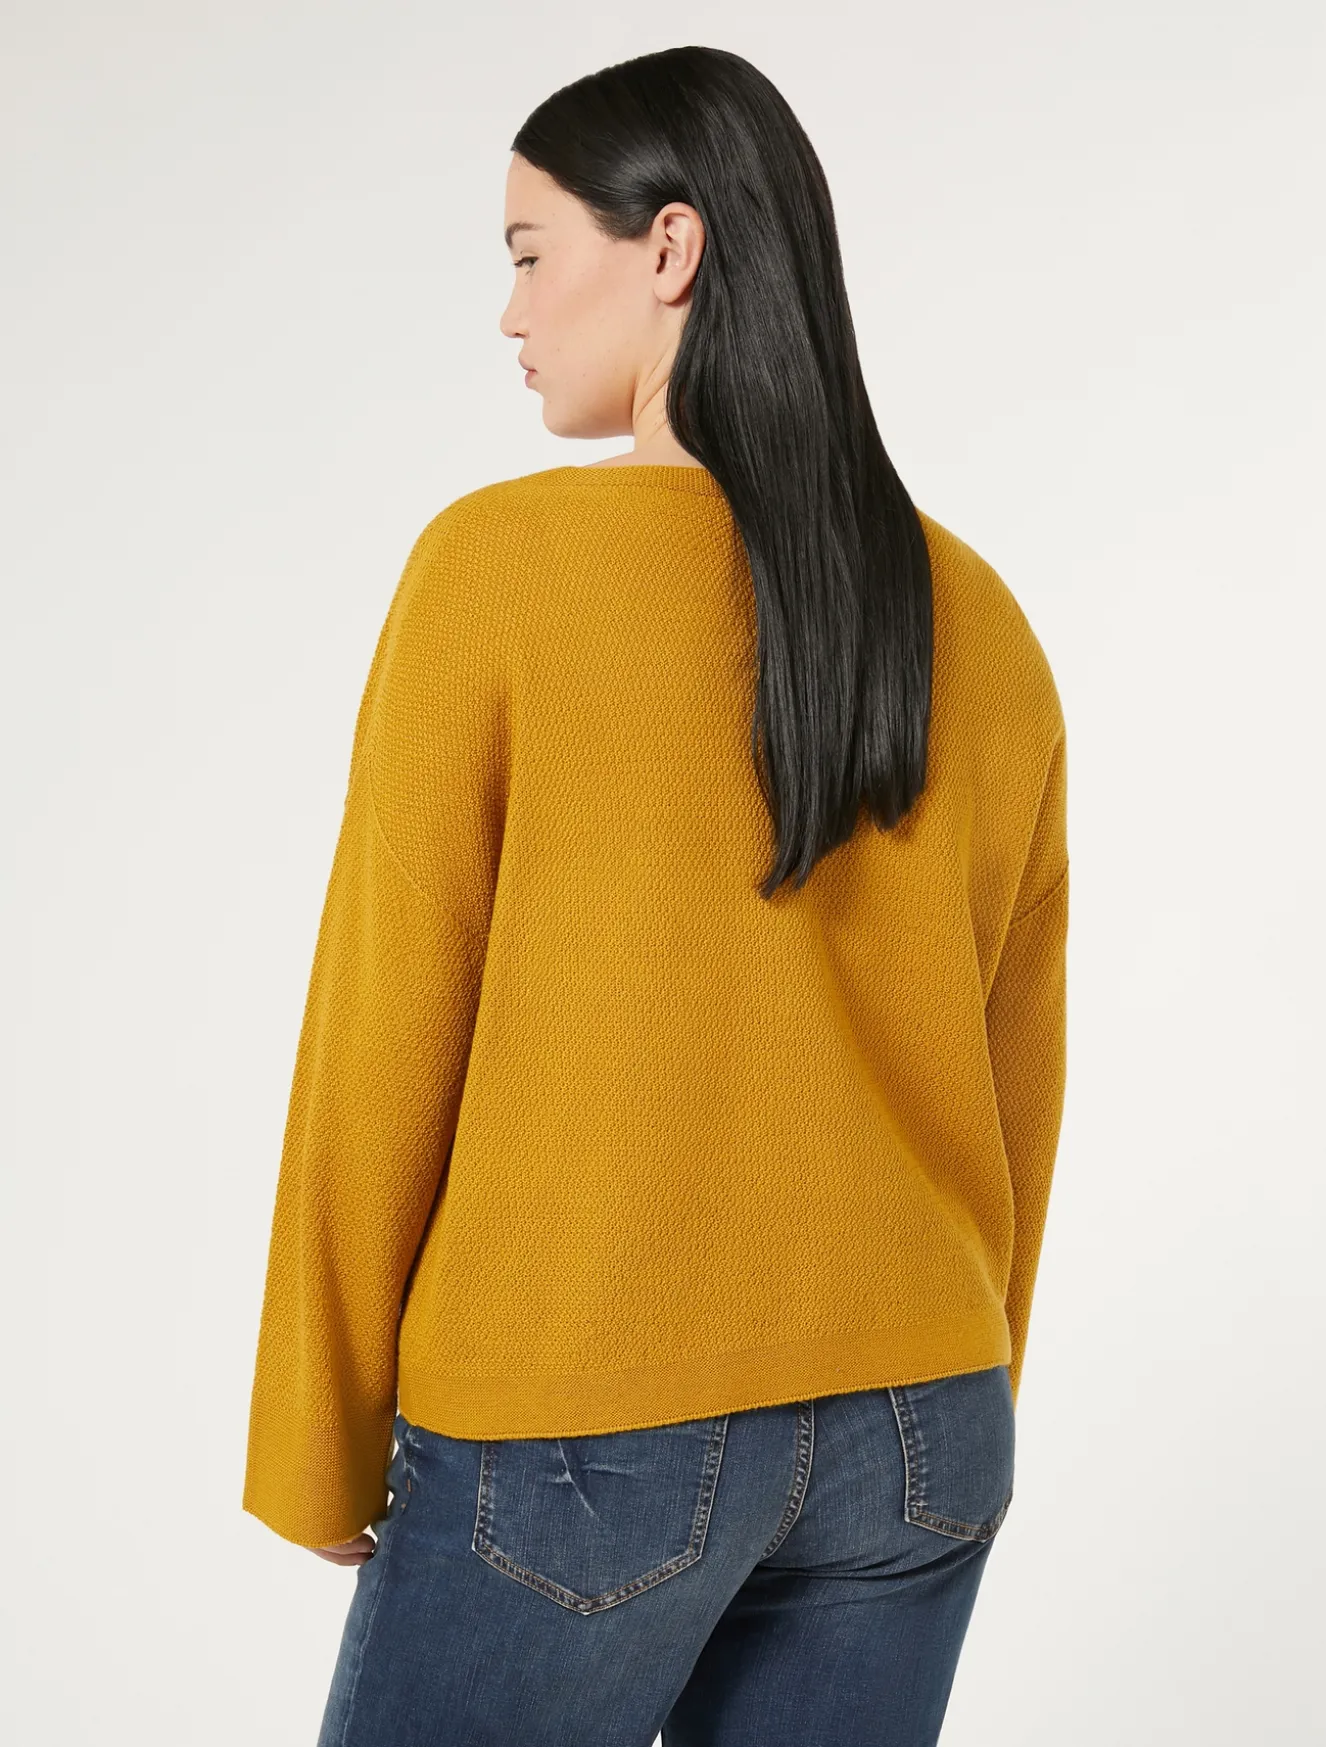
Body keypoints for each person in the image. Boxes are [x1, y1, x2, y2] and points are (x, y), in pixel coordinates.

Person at [241, 43, 1069, 1747]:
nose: (510, 311)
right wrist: (968, 1367)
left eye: (530, 252)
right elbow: (1016, 1072)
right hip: (920, 1417)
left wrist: (315, 1429)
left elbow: (386, 1028)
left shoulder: (497, 570)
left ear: (669, 246)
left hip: (583, 1410)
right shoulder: (976, 616)